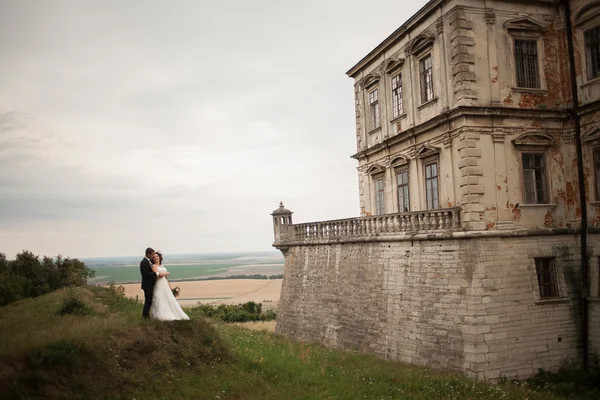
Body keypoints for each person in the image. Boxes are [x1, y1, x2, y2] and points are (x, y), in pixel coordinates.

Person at [149, 251, 189, 321]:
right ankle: (161, 315)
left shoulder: (162, 266)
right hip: (159, 285)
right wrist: (165, 273)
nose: (156, 258)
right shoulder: (154, 266)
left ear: (160, 257)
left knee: (168, 298)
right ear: (152, 259)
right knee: (160, 299)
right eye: (154, 257)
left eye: (157, 256)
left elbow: (166, 279)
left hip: (165, 285)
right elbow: (157, 275)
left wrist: (170, 288)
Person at [140, 247, 167, 319]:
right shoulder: (144, 262)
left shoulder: (148, 261)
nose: (153, 256)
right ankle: (145, 316)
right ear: (148, 254)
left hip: (150, 284)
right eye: (152, 255)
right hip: (147, 285)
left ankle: (146, 315)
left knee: (149, 301)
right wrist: (156, 274)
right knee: (148, 301)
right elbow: (146, 274)